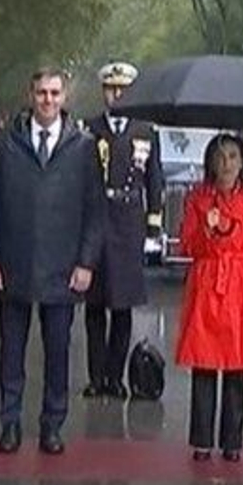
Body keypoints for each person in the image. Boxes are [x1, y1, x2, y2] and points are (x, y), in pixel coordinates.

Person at [0, 67, 105, 455]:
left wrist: (86, 263)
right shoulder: (7, 144)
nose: (47, 100)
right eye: (41, 93)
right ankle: (10, 422)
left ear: (64, 98)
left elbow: (94, 211)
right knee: (11, 352)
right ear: (30, 96)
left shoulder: (82, 147)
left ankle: (52, 424)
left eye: (54, 93)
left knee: (58, 352)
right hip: (14, 264)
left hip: (63, 269)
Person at [175, 133, 243, 461]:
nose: (226, 164)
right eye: (220, 157)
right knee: (204, 364)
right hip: (208, 285)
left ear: (242, 161)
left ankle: (232, 441)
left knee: (238, 366)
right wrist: (205, 229)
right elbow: (187, 246)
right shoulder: (197, 197)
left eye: (233, 156)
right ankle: (202, 440)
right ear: (210, 162)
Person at [82, 61, 162, 400]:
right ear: (103, 92)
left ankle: (116, 378)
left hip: (129, 220)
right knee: (95, 305)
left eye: (123, 89)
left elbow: (154, 179)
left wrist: (153, 228)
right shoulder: (89, 129)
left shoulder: (145, 131)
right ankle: (96, 377)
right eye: (111, 88)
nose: (117, 94)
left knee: (122, 306)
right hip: (97, 218)